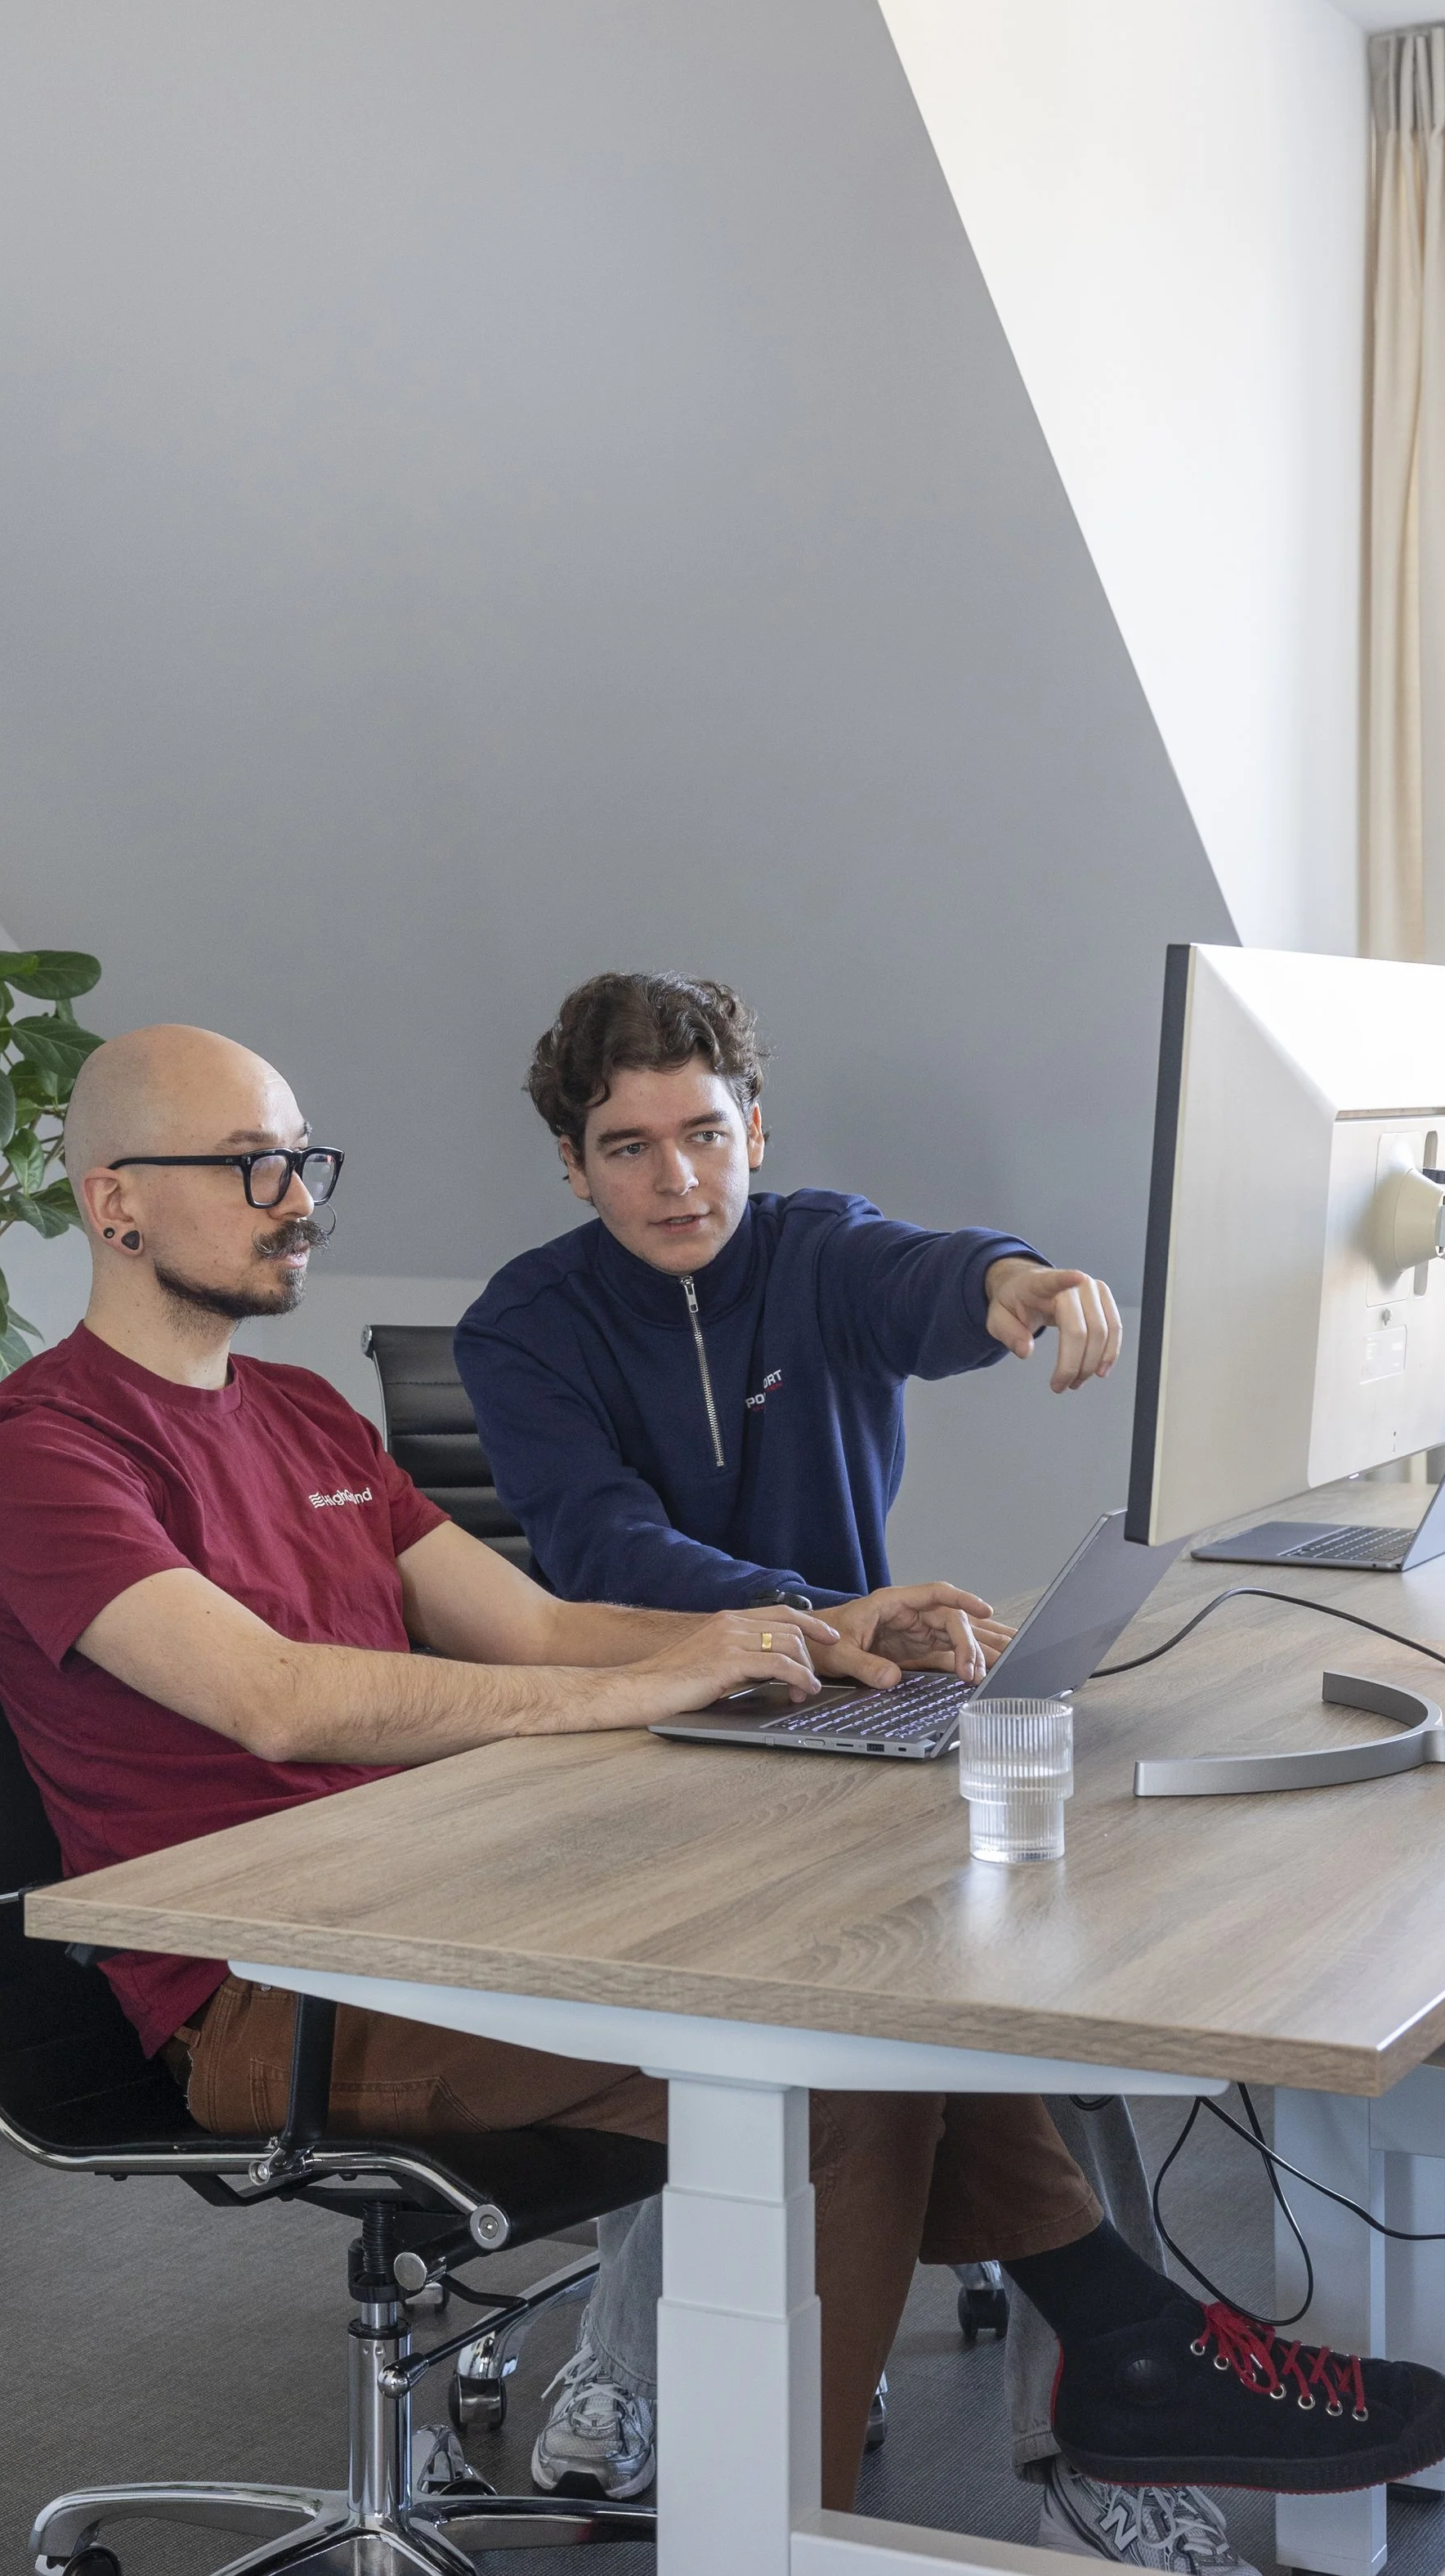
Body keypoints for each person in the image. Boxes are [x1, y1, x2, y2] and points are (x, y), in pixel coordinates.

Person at [0, 1020, 1445, 2530]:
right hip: (269, 1981)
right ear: (115, 1202)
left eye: (303, 1159)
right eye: (251, 1165)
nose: (299, 1196)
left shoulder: (305, 1416)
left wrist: (801, 1628)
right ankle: (806, 2515)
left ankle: (1117, 2358)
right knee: (819, 2071)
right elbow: (273, 1700)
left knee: (889, 1993)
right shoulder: (48, 1443)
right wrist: (630, 1686)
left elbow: (539, 1622)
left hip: (439, 1893)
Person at [449, 974, 1203, 2565]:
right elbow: (598, 1547)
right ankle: (625, 2369)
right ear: (573, 1169)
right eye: (629, 1147)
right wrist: (816, 1617)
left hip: (843, 1719)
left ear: (753, 1129)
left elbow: (924, 1278)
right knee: (715, 2009)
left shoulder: (809, 1252)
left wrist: (1012, 1280)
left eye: (704, 1136)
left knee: (1036, 2007)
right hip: (631, 1739)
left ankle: (1100, 2435)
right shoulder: (522, 1324)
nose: (676, 1180)